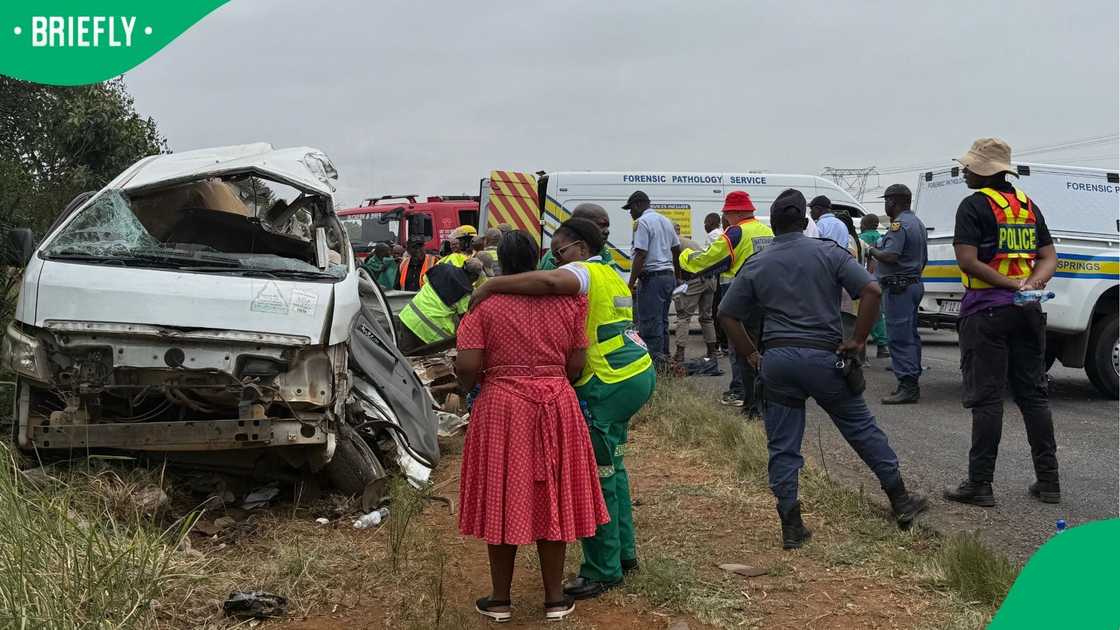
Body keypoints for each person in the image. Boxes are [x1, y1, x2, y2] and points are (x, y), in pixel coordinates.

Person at [717, 188, 928, 549]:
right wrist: (859, 340)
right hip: (824, 358)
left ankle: (791, 525)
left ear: (775, 226)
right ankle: (901, 502)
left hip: (778, 361)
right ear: (804, 222)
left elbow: (726, 314)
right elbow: (873, 291)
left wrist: (752, 355)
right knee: (861, 429)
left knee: (783, 446)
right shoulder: (828, 253)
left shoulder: (757, 263)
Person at [470, 217, 655, 600]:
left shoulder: (582, 271)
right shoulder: (614, 274)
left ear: (582, 249)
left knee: (598, 474)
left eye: (560, 252)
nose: (555, 262)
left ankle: (603, 570)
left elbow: (553, 283)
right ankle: (625, 555)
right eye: (551, 256)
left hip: (606, 380)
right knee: (614, 466)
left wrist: (492, 285)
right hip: (635, 372)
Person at [456, 230, 607, 623]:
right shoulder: (571, 303)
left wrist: (469, 387)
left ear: (501, 264)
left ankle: (500, 600)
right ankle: (555, 599)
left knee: (504, 494)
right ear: (539, 259)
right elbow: (576, 364)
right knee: (552, 495)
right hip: (557, 403)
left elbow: (469, 366)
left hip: (503, 407)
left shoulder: (483, 306)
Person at [943, 137, 1060, 508]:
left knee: (987, 399)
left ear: (983, 171)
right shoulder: (1027, 207)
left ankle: (979, 484)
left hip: (986, 312)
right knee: (1033, 396)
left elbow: (968, 261)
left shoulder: (973, 206)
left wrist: (1011, 284)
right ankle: (1049, 483)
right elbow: (1048, 257)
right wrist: (1031, 284)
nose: (964, 171)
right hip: (1027, 311)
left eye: (968, 167)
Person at [679, 191, 773, 416]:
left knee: (742, 350)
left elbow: (707, 260)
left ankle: (749, 403)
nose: (726, 218)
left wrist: (684, 256)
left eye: (727, 214)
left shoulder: (736, 232)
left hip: (742, 296)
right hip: (769, 297)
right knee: (763, 348)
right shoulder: (767, 231)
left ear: (736, 213)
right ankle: (765, 400)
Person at [866, 184, 928, 404]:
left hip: (899, 287)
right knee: (910, 335)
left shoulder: (899, 225)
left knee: (900, 337)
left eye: (887, 201)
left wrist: (871, 250)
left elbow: (891, 256)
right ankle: (911, 379)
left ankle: (908, 386)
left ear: (893, 202)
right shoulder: (917, 223)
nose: (886, 205)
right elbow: (923, 260)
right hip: (912, 285)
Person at [625, 190, 681, 366]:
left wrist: (631, 283)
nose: (630, 214)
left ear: (637, 205)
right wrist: (677, 278)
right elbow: (676, 250)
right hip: (668, 278)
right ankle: (665, 360)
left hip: (652, 279)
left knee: (649, 322)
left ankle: (653, 365)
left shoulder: (642, 222)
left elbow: (641, 254)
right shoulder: (666, 221)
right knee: (662, 321)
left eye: (630, 209)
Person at [397, 258, 483, 355]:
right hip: (432, 332)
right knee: (428, 363)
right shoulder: (466, 292)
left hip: (409, 317)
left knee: (403, 359)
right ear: (474, 276)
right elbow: (464, 320)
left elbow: (425, 280)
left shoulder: (442, 268)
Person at [671, 224, 718, 363]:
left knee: (683, 317)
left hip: (697, 279)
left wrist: (678, 280)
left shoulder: (675, 243)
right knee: (706, 317)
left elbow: (676, 263)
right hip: (711, 279)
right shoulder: (689, 242)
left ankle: (679, 355)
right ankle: (712, 353)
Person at [538, 204, 614, 270]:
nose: (607, 231)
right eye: (600, 225)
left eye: (607, 226)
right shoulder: (558, 254)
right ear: (579, 223)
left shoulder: (603, 251)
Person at [858, 215, 890, 358]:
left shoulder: (861, 238)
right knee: (878, 314)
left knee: (860, 313)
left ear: (864, 224)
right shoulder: (882, 238)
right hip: (880, 279)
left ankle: (859, 348)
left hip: (864, 280)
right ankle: (882, 346)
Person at [704, 212, 730, 355]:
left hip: (718, 278)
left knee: (715, 312)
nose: (704, 226)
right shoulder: (723, 234)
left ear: (711, 223)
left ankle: (719, 345)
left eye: (705, 223)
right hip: (726, 277)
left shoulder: (713, 235)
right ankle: (725, 345)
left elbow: (709, 258)